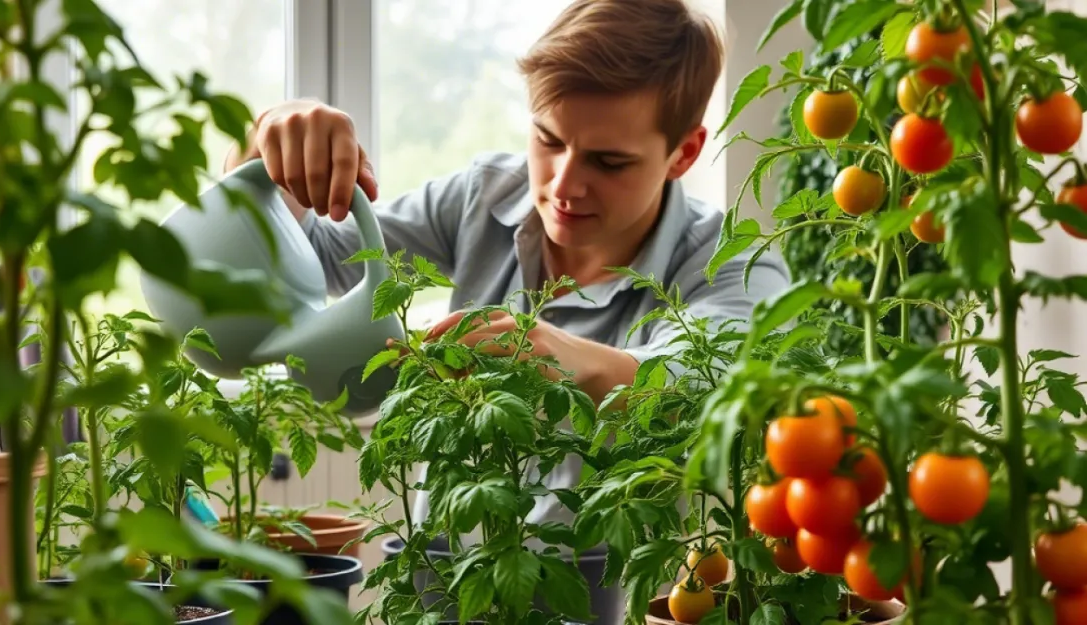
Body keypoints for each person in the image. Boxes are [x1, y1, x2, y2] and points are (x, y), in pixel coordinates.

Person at [224, 0, 789, 620]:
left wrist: (579, 363)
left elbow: (719, 380)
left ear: (684, 153)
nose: (563, 186)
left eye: (609, 161)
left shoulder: (731, 259)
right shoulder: (484, 195)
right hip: (445, 585)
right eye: (548, 139)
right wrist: (269, 157)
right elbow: (316, 255)